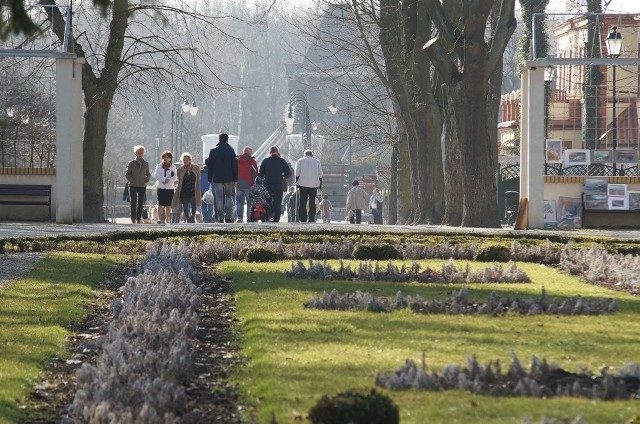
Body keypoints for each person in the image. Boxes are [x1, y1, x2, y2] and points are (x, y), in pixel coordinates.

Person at [207, 133, 238, 223]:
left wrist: (209, 179)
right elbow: (234, 166)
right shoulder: (231, 150)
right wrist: (235, 179)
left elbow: (210, 166)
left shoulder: (213, 151)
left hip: (217, 178)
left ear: (219, 139)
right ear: (227, 139)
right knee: (229, 196)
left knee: (219, 197)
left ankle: (220, 217)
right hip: (229, 178)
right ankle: (228, 216)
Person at [258, 146, 291, 222]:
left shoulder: (265, 161)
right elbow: (288, 172)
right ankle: (276, 218)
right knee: (278, 201)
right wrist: (283, 177)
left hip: (268, 184)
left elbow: (261, 174)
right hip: (278, 184)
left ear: (270, 152)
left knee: (267, 200)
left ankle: (268, 216)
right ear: (277, 151)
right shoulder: (282, 161)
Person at [294, 149, 323, 223]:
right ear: (312, 154)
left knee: (302, 201)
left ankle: (302, 218)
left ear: (305, 154)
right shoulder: (317, 161)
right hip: (314, 184)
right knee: (312, 201)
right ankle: (311, 218)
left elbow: (297, 172)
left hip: (303, 184)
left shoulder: (300, 161)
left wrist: (296, 181)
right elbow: (320, 174)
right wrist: (320, 184)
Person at [172, 152, 201, 223]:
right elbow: (178, 179)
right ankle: (187, 218)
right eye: (184, 160)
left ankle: (192, 217)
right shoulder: (180, 169)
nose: (185, 161)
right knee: (185, 206)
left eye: (186, 160)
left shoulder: (196, 168)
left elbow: (198, 178)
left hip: (193, 190)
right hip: (184, 190)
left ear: (190, 160)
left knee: (194, 205)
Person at [125, 145, 151, 224]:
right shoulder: (131, 163)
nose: (140, 154)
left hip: (142, 186)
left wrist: (146, 179)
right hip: (133, 186)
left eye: (142, 153)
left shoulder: (146, 164)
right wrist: (131, 180)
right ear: (135, 153)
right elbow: (127, 174)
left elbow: (148, 174)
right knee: (133, 202)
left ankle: (138, 219)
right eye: (139, 153)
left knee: (141, 203)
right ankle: (133, 218)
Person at [153, 150, 177, 225]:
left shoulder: (173, 167)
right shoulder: (159, 166)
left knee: (168, 204)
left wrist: (168, 180)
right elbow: (156, 175)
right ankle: (160, 218)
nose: (166, 159)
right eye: (164, 157)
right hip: (161, 187)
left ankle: (168, 218)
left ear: (170, 158)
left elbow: (175, 176)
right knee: (160, 203)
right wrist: (163, 179)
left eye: (167, 157)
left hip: (169, 187)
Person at [236, 146, 258, 223]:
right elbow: (255, 174)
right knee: (250, 202)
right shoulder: (252, 162)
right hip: (249, 184)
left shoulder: (237, 161)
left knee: (239, 202)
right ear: (249, 152)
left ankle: (239, 218)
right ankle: (249, 218)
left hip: (238, 184)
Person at [200, 159, 215, 223]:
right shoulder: (214, 171)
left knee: (203, 205)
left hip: (202, 190)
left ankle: (205, 218)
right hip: (211, 190)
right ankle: (210, 218)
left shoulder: (201, 172)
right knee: (210, 205)